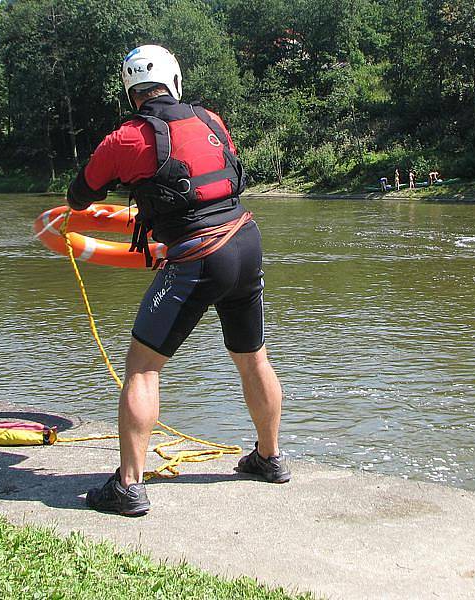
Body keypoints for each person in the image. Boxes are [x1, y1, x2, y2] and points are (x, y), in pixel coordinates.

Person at [67, 45, 290, 516]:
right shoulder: (211, 120)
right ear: (174, 80)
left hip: (198, 256)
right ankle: (269, 458)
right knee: (253, 358)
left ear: (131, 93)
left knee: (142, 367)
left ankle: (128, 486)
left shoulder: (123, 139)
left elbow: (80, 196)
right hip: (245, 241)